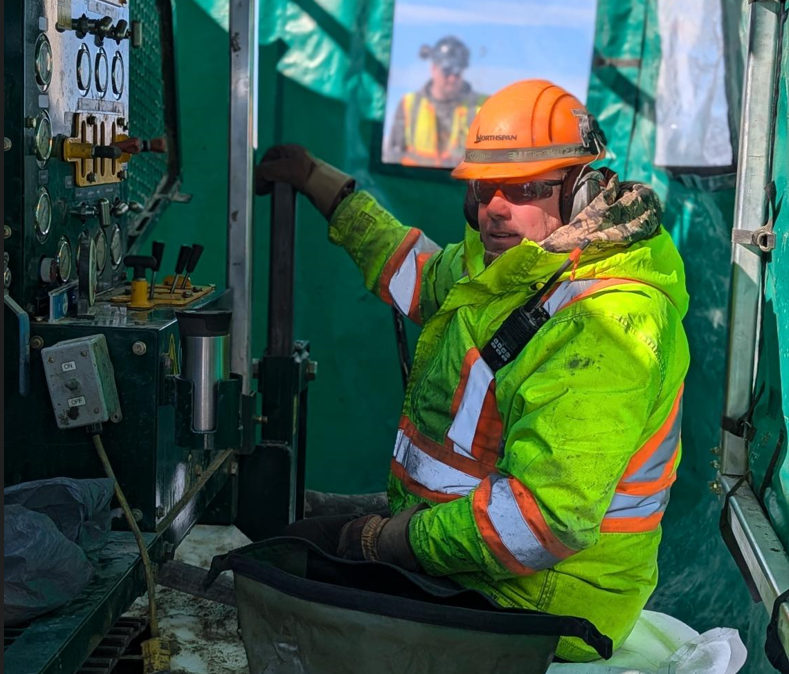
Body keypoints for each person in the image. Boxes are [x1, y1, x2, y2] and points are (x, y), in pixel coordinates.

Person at [255, 79, 690, 663]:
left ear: (580, 192)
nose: (495, 210)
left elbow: (539, 522)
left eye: (524, 189)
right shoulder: (514, 264)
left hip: (540, 602)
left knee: (282, 583)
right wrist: (320, 182)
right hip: (474, 559)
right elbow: (418, 272)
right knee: (286, 538)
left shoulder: (610, 327)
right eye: (485, 189)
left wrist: (389, 540)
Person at [385, 36, 487, 168]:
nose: (452, 78)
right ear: (433, 68)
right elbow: (393, 156)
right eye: (447, 70)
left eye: (458, 72)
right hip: (414, 184)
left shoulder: (483, 107)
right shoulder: (408, 104)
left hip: (460, 187)